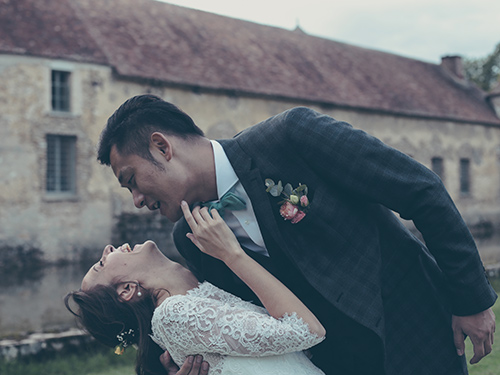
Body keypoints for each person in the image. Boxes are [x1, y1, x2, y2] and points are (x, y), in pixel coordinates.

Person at [96, 94, 497, 375]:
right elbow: (236, 322)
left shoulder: (292, 136)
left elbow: (419, 190)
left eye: (131, 180)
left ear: (162, 147)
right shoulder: (190, 240)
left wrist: (471, 300)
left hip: (416, 329)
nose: (135, 200)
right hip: (330, 366)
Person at [65, 204, 326, 375]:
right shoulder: (174, 314)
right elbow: (307, 331)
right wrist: (232, 254)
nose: (107, 250)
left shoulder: (188, 298)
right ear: (126, 290)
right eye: (101, 264)